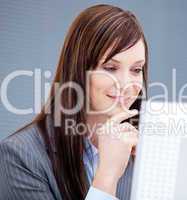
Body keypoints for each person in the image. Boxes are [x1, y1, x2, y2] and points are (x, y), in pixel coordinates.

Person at [0, 4, 148, 200]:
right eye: (110, 68)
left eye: (136, 70)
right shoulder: (20, 157)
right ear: (78, 70)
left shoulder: (142, 152)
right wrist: (108, 175)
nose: (126, 83)